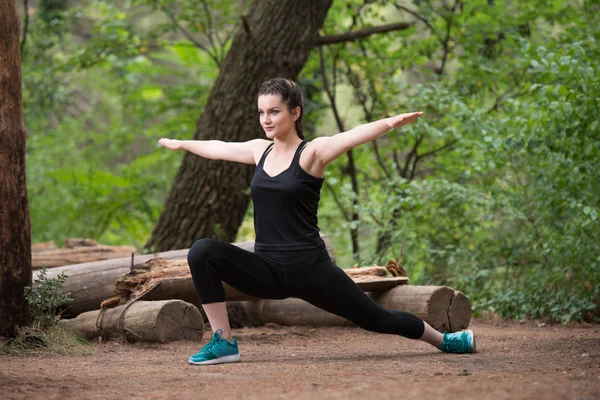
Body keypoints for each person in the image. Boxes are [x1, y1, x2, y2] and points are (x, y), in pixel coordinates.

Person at [158, 78, 476, 365]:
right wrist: (183, 144)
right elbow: (220, 148)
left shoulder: (312, 153)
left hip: (311, 270)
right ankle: (224, 342)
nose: (265, 120)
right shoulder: (260, 151)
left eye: (274, 112)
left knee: (377, 319)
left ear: (295, 113)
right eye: (261, 113)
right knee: (202, 252)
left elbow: (350, 136)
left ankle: (445, 340)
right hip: (266, 270)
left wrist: (389, 122)